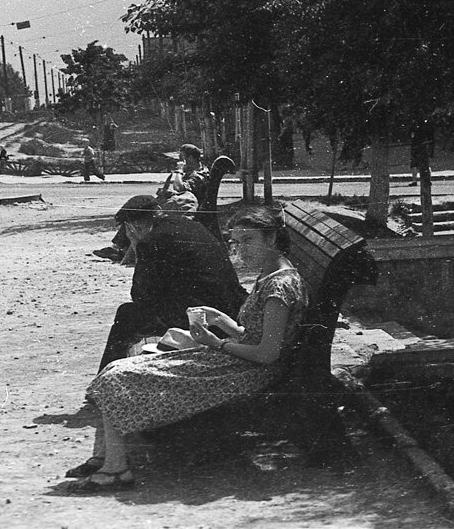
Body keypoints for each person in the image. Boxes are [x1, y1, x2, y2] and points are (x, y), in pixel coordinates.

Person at [67, 206, 307, 492]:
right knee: (117, 370)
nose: (240, 249)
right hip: (238, 362)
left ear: (271, 239)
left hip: (247, 372)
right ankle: (109, 459)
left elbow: (268, 353)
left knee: (120, 375)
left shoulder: (279, 288)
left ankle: (114, 468)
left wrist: (218, 343)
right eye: (236, 242)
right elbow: (252, 334)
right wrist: (220, 319)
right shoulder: (270, 274)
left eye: (248, 240)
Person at [92, 195, 248, 373]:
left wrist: (136, 244)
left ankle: (104, 376)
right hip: (232, 309)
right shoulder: (191, 225)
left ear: (134, 226)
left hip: (203, 318)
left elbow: (140, 296)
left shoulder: (150, 242)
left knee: (127, 314)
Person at [93, 143, 208, 262]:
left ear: (189, 159)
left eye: (181, 158)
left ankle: (118, 247)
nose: (178, 162)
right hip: (177, 204)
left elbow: (180, 188)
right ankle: (119, 248)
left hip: (184, 208)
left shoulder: (199, 174)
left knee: (141, 206)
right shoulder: (195, 172)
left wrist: (179, 171)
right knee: (139, 205)